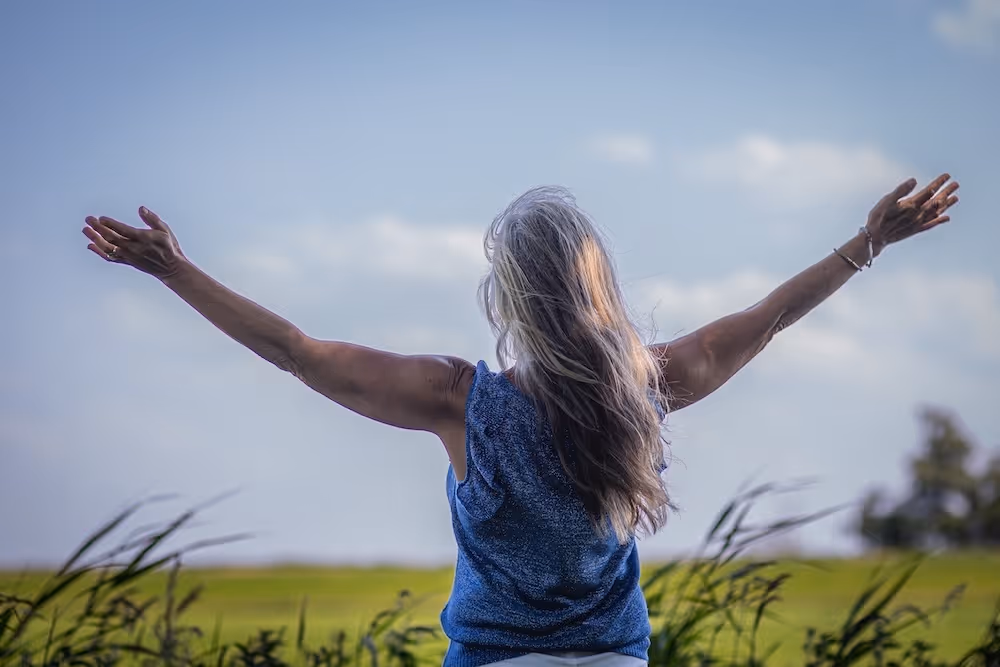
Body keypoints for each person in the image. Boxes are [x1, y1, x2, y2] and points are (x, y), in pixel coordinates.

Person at [82, 174, 959, 667]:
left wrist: (173, 272)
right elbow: (764, 319)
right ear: (598, 287)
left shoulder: (457, 398)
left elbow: (297, 350)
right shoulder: (646, 387)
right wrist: (865, 245)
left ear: (509, 296)